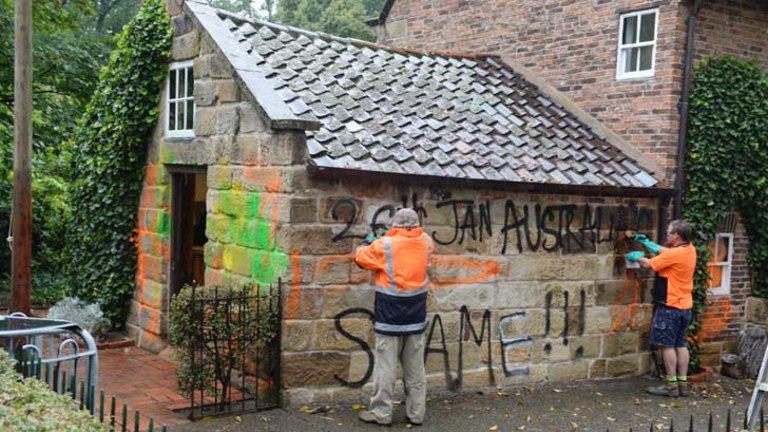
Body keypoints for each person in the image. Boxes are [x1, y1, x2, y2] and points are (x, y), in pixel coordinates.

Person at [354, 208, 434, 426]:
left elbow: (360, 258)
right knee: (415, 369)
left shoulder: (384, 245)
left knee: (385, 368)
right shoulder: (426, 242)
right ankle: (416, 413)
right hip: (416, 315)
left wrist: (367, 242)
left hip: (389, 316)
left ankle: (381, 413)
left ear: (395, 225)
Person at [627, 220, 696, 397]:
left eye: (669, 233)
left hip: (669, 307)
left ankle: (670, 386)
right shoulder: (689, 250)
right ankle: (682, 384)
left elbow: (650, 264)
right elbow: (667, 252)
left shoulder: (674, 255)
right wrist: (647, 243)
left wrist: (635, 257)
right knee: (681, 344)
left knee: (666, 346)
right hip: (685, 307)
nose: (667, 235)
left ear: (676, 236)